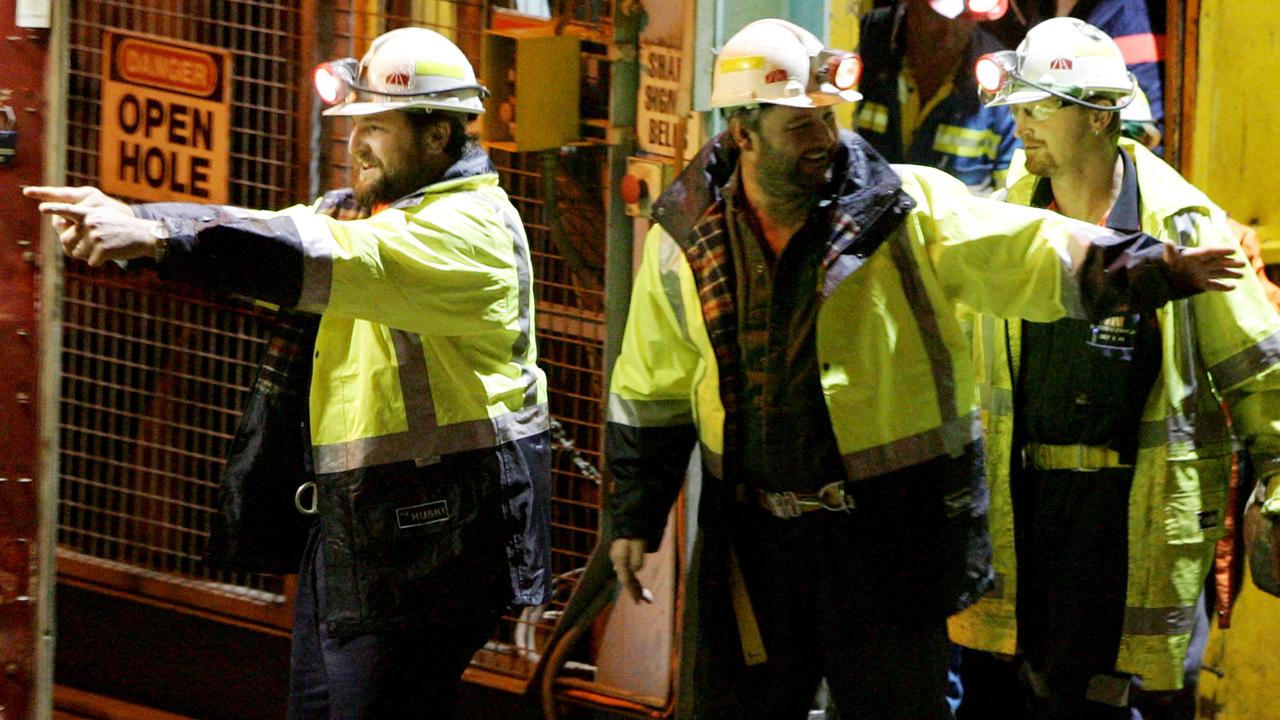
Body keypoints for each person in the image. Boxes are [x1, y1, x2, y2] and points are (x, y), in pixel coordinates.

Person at [603, 17, 1241, 720]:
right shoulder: (686, 239)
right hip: (753, 546)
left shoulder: (899, 207)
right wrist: (635, 514)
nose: (824, 140)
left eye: (826, 119)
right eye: (800, 127)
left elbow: (1022, 250)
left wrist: (1153, 268)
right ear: (744, 133)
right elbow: (650, 388)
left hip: (886, 543)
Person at [27, 27, 551, 720]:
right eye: (353, 123)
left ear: (438, 137)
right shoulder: (372, 211)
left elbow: (308, 252)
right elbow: (265, 227)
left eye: (378, 126)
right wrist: (135, 219)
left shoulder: (465, 229)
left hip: (434, 545)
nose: (356, 142)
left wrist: (155, 236)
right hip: (361, 527)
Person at [947, 17, 1280, 719]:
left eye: (1041, 108)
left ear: (1099, 118)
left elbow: (1259, 373)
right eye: (1020, 107)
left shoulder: (1186, 226)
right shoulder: (1008, 220)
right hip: (1028, 507)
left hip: (1129, 517)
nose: (1023, 124)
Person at [857, 0, 1020, 194]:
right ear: (910, 6)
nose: (948, 32)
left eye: (963, 19)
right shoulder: (868, 50)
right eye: (935, 17)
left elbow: (1014, 196)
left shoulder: (998, 83)